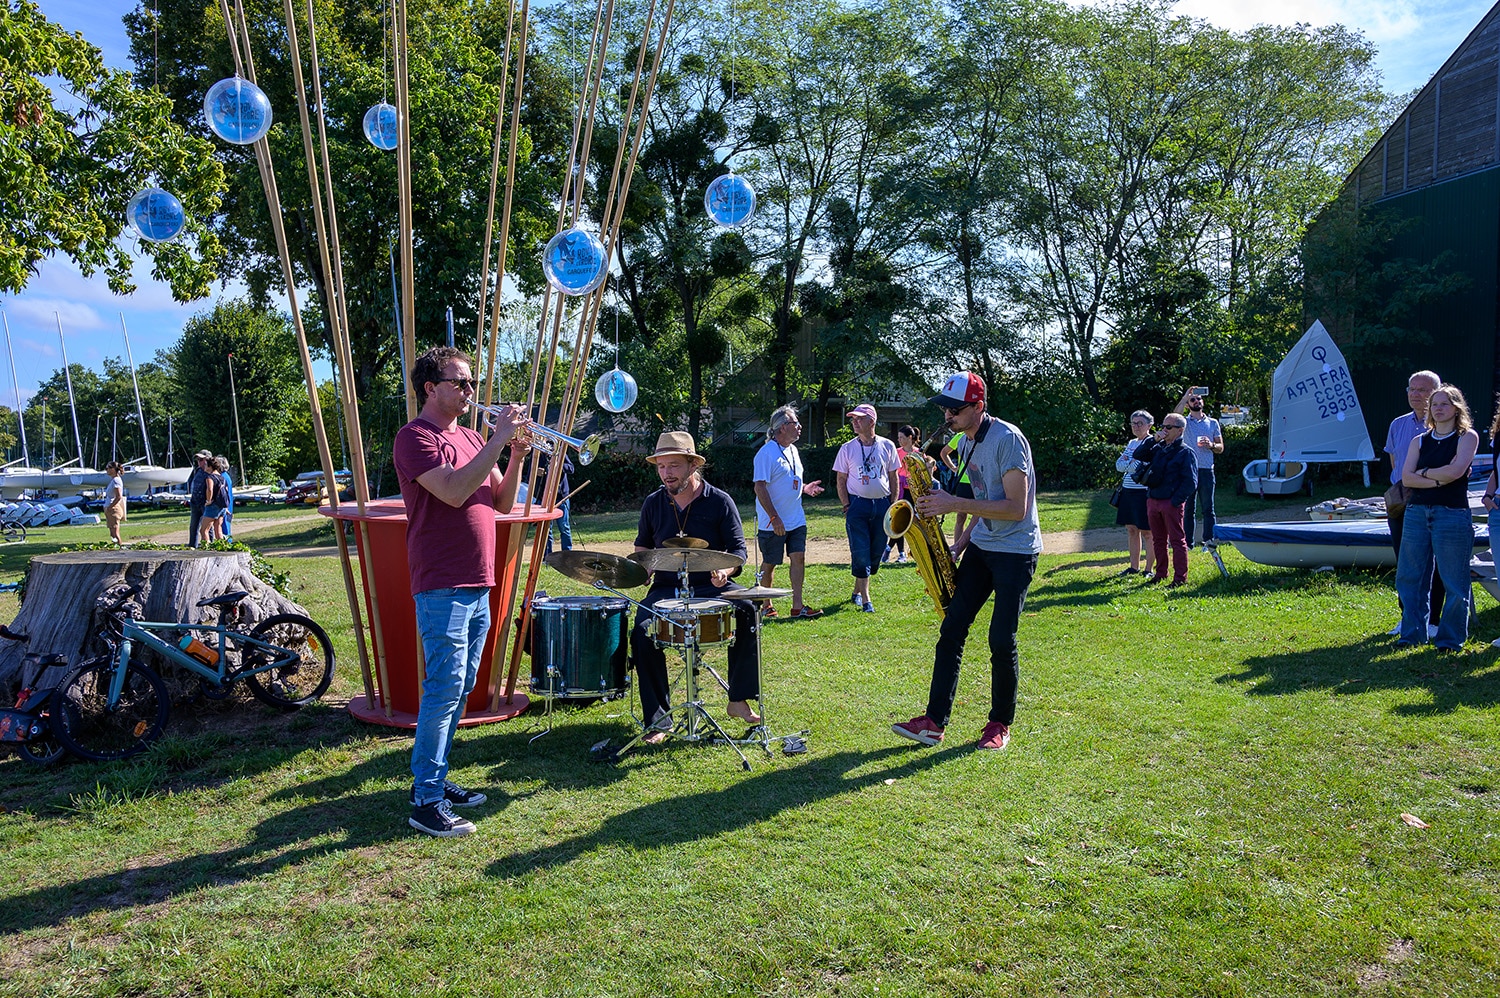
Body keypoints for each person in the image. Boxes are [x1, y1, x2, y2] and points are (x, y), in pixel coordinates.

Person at [394, 345, 529, 838]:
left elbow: (500, 501)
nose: (472, 391)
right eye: (461, 382)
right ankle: (425, 799)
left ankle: (437, 778)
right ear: (431, 387)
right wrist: (498, 440)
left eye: (472, 382)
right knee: (444, 689)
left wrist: (513, 454)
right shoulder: (414, 438)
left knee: (461, 688)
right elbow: (452, 491)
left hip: (478, 579)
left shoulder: (473, 436)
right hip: (441, 581)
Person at [892, 371, 1042, 751]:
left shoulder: (1007, 439)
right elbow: (984, 497)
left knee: (1000, 638)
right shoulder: (968, 440)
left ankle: (999, 724)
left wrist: (953, 504)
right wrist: (959, 543)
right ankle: (933, 722)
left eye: (954, 410)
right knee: (953, 627)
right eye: (944, 409)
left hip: (1017, 550)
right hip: (982, 545)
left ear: (979, 406)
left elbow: (1015, 506)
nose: (947, 416)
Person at [631, 431, 761, 741]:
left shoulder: (719, 501)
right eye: (661, 467)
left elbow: (739, 550)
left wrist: (726, 569)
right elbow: (641, 547)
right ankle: (659, 720)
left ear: (692, 465)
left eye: (674, 466)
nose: (667, 474)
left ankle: (737, 698)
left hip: (712, 586)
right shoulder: (653, 503)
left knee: (748, 609)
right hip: (665, 588)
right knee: (641, 630)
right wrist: (643, 566)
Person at [1395, 384, 1478, 651]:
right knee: (1410, 578)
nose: (1438, 409)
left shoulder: (1467, 437)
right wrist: (1437, 478)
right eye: (1435, 404)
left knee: (1454, 581)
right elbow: (1406, 478)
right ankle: (1412, 635)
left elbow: (1455, 472)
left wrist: (1425, 473)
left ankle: (1450, 640)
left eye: (1444, 404)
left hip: (1452, 515)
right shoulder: (1418, 441)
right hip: (1417, 513)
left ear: (1457, 408)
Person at [1385, 370, 1444, 638]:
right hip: (1401, 502)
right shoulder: (1398, 424)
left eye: (1422, 390)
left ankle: (1433, 620)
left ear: (1436, 393)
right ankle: (1407, 617)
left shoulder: (1443, 425)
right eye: (1411, 388)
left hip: (1433, 500)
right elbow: (1394, 463)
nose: (1415, 394)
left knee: (1435, 563)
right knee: (1405, 564)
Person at [752, 404, 824, 619]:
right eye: (795, 423)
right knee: (770, 562)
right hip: (773, 521)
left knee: (799, 558)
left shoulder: (793, 450)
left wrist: (804, 488)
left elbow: (788, 481)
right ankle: (766, 604)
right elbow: (760, 486)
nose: (800, 427)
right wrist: (774, 518)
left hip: (796, 518)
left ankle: (797, 606)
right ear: (782, 427)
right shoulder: (766, 453)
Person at [833, 403, 901, 613]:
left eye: (859, 419)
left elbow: (893, 476)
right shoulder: (847, 448)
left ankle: (856, 591)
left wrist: (893, 505)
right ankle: (866, 599)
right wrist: (847, 505)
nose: (854, 422)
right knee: (860, 552)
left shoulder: (887, 445)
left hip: (882, 504)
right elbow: (841, 479)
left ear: (872, 421)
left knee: (874, 554)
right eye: (853, 419)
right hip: (857, 504)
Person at [1137, 413, 1197, 586]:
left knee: (1177, 541)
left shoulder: (1186, 452)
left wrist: (1175, 501)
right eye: (1163, 426)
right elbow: (1139, 454)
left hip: (1170, 502)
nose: (1164, 430)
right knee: (1158, 540)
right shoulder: (1159, 447)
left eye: (1168, 427)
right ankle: (1160, 574)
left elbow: (1191, 482)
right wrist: (1153, 440)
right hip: (1153, 499)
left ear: (1180, 430)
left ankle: (1180, 579)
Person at [1173, 388, 1222, 547]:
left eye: (1199, 399)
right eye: (1192, 400)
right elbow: (1175, 416)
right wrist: (1184, 397)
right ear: (1188, 405)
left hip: (1207, 469)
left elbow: (1221, 447)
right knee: (1188, 510)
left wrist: (1211, 445)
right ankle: (1188, 543)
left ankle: (1209, 541)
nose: (1196, 401)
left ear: (1203, 402)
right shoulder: (1184, 422)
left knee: (1209, 509)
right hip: (1188, 470)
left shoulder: (1213, 422)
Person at [1114, 410, 1154, 576]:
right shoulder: (1131, 443)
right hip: (1128, 491)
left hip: (1143, 492)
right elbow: (1119, 466)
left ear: (1149, 425)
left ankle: (1148, 569)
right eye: (1133, 423)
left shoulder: (1151, 442)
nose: (1136, 426)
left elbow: (1139, 467)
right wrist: (1131, 463)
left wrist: (1129, 463)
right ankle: (1133, 567)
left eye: (1140, 423)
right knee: (1131, 529)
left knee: (1147, 532)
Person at [884, 425, 925, 564]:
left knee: (907, 521)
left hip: (913, 490)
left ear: (910, 438)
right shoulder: (896, 452)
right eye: (898, 438)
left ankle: (889, 549)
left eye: (902, 437)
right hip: (900, 489)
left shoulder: (918, 453)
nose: (900, 440)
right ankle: (900, 552)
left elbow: (922, 472)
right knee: (899, 520)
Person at [939, 427, 975, 555]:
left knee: (981, 517)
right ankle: (957, 549)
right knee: (961, 517)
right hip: (964, 482)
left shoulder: (984, 437)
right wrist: (954, 468)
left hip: (980, 483)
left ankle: (974, 550)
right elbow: (944, 453)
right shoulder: (960, 436)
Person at [199, 457, 229, 547]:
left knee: (204, 530)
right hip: (222, 506)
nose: (204, 467)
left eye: (206, 465)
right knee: (218, 528)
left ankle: (206, 549)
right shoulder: (222, 477)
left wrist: (208, 500)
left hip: (213, 506)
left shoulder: (210, 477)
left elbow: (210, 489)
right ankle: (222, 547)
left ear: (210, 466)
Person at [187, 450, 212, 547]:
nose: (199, 462)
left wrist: (208, 500)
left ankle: (209, 545)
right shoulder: (198, 470)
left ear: (207, 460)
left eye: (201, 459)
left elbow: (211, 488)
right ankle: (192, 546)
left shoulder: (210, 472)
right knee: (193, 527)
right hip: (195, 503)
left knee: (207, 528)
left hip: (205, 503)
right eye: (198, 460)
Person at [102, 461, 126, 546]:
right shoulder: (113, 480)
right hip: (110, 508)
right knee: (112, 533)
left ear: (113, 469)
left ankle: (120, 548)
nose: (106, 470)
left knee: (115, 532)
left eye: (108, 468)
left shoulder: (116, 480)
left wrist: (110, 507)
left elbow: (118, 496)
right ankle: (115, 546)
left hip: (113, 509)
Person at [217, 455, 235, 541]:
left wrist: (226, 507)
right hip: (227, 504)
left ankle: (228, 543)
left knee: (225, 525)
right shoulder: (225, 476)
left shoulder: (223, 477)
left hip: (226, 505)